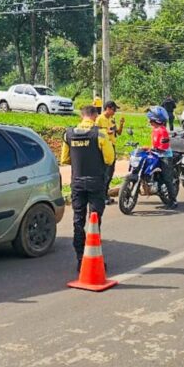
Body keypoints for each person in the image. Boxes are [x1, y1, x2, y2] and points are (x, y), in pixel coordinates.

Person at [60, 105, 115, 271]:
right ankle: (94, 257)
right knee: (95, 220)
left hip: (77, 182)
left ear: (82, 116)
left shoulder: (68, 134)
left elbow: (64, 159)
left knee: (78, 220)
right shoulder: (100, 134)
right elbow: (109, 159)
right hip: (95, 182)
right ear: (94, 116)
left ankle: (79, 259)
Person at [147, 106, 179, 209]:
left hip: (165, 156)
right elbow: (155, 144)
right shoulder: (155, 129)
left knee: (167, 178)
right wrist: (151, 149)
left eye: (150, 119)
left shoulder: (163, 131)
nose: (149, 120)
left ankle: (173, 201)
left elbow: (163, 147)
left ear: (155, 120)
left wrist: (151, 149)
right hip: (157, 155)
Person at [95, 100, 122, 203]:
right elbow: (96, 133)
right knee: (104, 172)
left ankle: (105, 194)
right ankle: (102, 196)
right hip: (103, 148)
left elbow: (118, 132)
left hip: (112, 146)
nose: (115, 112)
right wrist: (107, 132)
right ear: (108, 108)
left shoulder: (112, 119)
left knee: (110, 171)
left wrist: (121, 124)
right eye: (114, 109)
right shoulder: (99, 119)